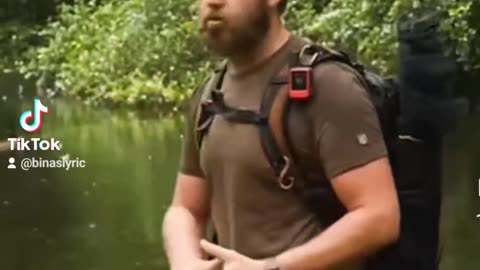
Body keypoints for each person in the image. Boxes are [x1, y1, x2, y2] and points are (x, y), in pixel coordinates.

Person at [162, 0, 401, 270]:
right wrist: (185, 260)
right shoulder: (210, 95)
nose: (213, 3)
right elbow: (185, 208)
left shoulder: (330, 85)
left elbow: (380, 216)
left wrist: (271, 267)